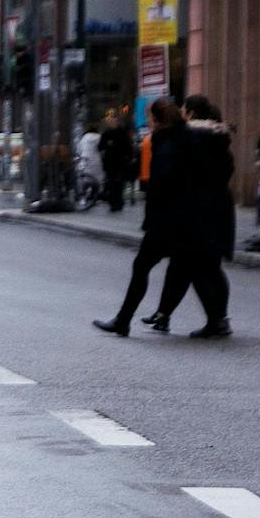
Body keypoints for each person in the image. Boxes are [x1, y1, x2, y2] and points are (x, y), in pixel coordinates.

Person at [93, 97, 201, 336]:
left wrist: (153, 214)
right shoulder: (188, 139)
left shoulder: (166, 144)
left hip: (167, 220)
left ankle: (123, 320)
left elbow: (162, 185)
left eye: (151, 119)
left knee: (141, 265)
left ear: (159, 121)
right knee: (178, 268)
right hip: (189, 219)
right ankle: (163, 317)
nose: (149, 123)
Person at [143, 95, 234, 338]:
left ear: (191, 114)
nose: (181, 113)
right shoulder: (218, 137)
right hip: (220, 207)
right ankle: (216, 318)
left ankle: (215, 321)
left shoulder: (193, 138)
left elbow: (185, 174)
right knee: (210, 266)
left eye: (183, 109)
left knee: (195, 265)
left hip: (199, 209)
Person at [98, 111, 136, 213]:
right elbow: (100, 147)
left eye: (114, 120)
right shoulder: (106, 133)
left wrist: (131, 156)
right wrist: (107, 145)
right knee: (111, 182)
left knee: (119, 182)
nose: (112, 122)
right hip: (109, 162)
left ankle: (118, 201)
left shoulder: (122, 132)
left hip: (121, 161)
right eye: (110, 120)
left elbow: (128, 145)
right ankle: (113, 202)